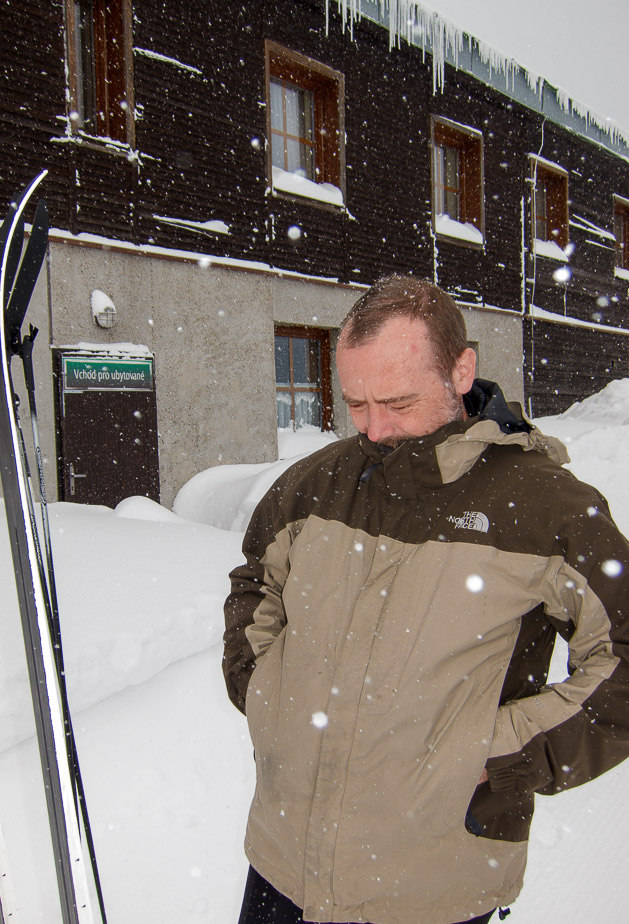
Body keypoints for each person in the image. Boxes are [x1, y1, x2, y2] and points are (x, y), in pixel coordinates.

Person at [223, 274, 629, 924]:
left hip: (432, 885)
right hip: (281, 861)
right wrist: (261, 687)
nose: (374, 429)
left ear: (460, 370)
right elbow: (255, 584)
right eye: (355, 402)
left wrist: (503, 753)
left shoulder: (547, 507)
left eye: (397, 401)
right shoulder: (310, 485)